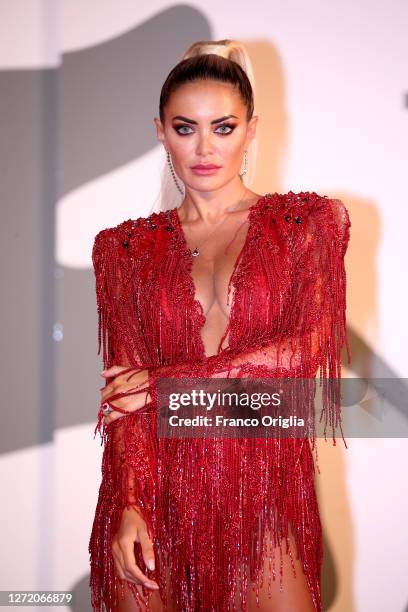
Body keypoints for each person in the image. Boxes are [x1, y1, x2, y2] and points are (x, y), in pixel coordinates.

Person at [88, 39, 351, 612]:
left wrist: (162, 385)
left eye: (224, 127)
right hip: (153, 488)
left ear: (251, 130)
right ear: (160, 131)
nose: (205, 147)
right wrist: (131, 500)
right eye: (186, 128)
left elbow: (308, 350)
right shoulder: (122, 248)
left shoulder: (309, 223)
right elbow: (122, 388)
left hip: (262, 481)